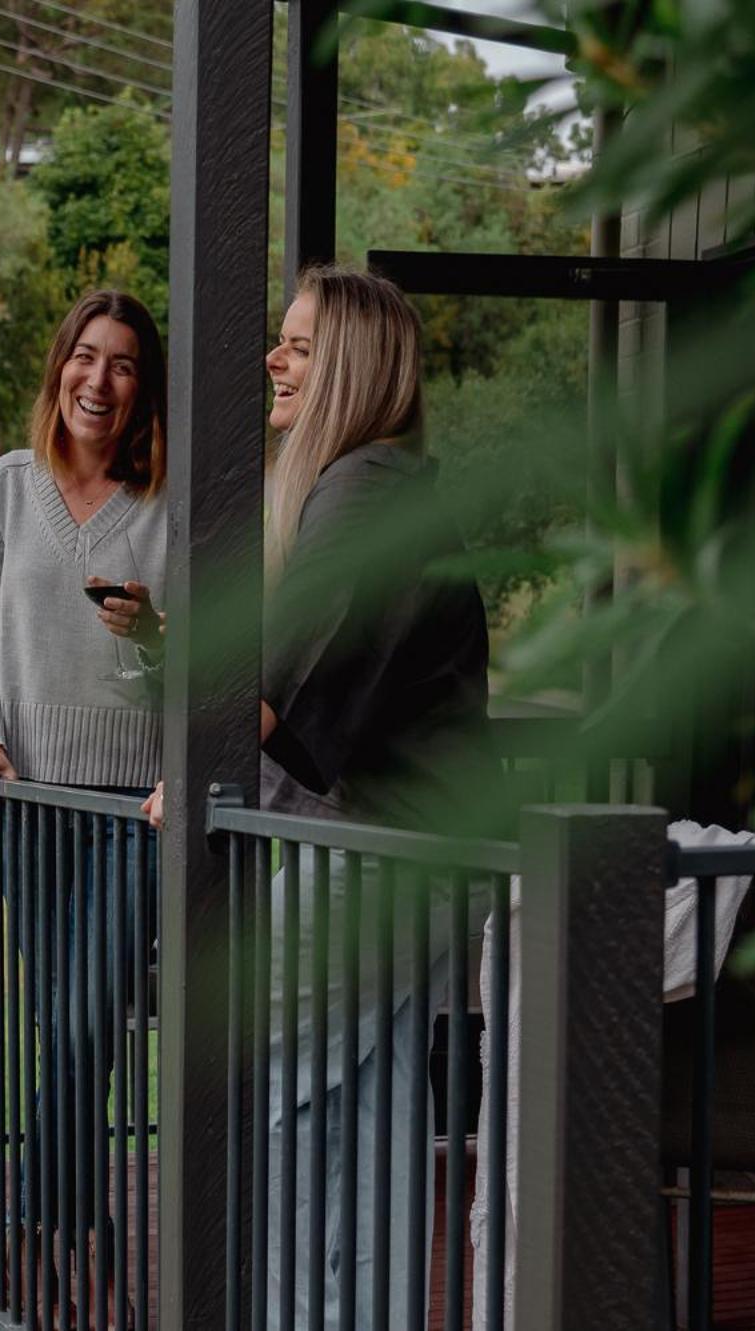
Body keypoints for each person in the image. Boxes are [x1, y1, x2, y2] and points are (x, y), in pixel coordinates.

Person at [118, 265, 500, 1330]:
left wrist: (185, 779)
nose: (274, 360)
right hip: (412, 854)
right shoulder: (381, 486)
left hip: (384, 858)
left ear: (352, 364)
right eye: (278, 340)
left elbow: (269, 689)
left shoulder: (365, 492)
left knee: (258, 1073)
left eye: (296, 343)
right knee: (364, 1108)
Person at [0, 288, 168, 1312]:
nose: (99, 379)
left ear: (142, 386)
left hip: (132, 809)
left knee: (85, 1020)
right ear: (58, 367)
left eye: (122, 363)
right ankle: (78, 1218)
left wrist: (154, 635)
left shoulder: (171, 501)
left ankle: (38, 1212)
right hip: (27, 801)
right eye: (85, 356)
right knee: (59, 1021)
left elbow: (212, 661)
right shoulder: (6, 485)